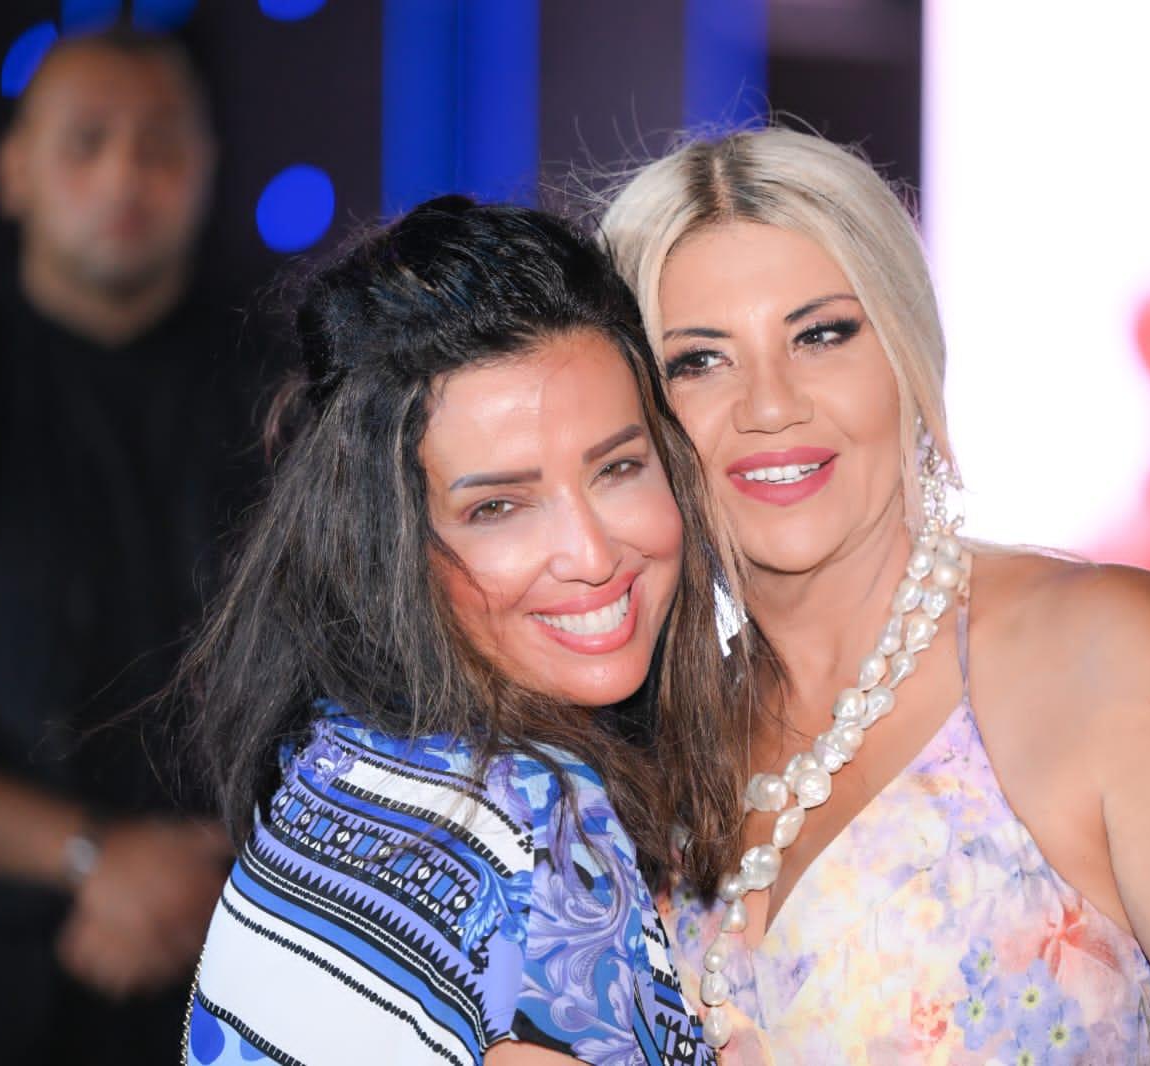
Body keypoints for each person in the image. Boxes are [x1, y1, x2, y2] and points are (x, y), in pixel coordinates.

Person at [601, 128, 1150, 1064]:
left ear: (906, 349)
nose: (771, 404)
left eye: (821, 335)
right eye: (698, 361)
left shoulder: (1102, 651)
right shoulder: (647, 739)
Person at [182, 197, 757, 1065]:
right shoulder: (535, 831)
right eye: (498, 508)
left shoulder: (337, 760)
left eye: (617, 468)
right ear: (388, 547)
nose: (592, 555)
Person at [0, 27, 261, 1065]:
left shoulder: (291, 397)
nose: (125, 173)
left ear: (206, 168)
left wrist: (222, 877)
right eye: (86, 140)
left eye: (160, 143)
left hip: (246, 965)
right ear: (14, 170)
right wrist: (94, 857)